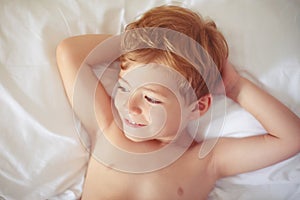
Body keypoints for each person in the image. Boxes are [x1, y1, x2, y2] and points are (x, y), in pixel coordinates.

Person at [56, 5, 300, 200]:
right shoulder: (108, 127)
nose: (130, 107)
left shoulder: (206, 160)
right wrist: (139, 41)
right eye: (123, 87)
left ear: (198, 107)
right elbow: (70, 52)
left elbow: (291, 138)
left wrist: (234, 87)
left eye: (151, 98)